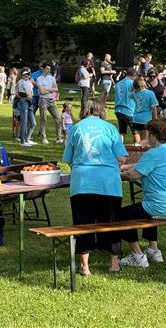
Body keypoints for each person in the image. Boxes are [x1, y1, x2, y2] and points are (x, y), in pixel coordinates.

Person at [118, 118, 166, 268]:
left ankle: (137, 256)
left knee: (121, 215)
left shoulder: (153, 153)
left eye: (148, 134)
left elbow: (133, 176)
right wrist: (126, 166)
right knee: (147, 208)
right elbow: (148, 165)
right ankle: (153, 250)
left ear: (153, 135)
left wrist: (114, 175)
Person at [62, 100, 128, 275]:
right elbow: (122, 158)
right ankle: (114, 263)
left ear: (85, 111)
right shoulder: (110, 128)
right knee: (111, 222)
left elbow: (67, 158)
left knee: (83, 223)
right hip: (109, 183)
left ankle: (85, 266)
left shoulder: (76, 128)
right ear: (101, 111)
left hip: (83, 183)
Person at [36, 62, 63, 144]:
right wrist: (51, 90)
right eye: (47, 69)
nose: (49, 70)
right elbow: (41, 92)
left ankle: (58, 138)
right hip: (43, 100)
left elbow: (56, 89)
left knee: (58, 119)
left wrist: (46, 89)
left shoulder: (52, 78)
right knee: (43, 119)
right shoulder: (39, 79)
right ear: (43, 69)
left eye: (49, 69)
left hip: (52, 100)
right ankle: (44, 138)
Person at [114, 68, 140, 145]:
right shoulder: (132, 83)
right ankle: (138, 149)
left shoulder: (118, 83)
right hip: (129, 110)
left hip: (118, 109)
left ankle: (120, 148)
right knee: (135, 131)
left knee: (122, 131)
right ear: (134, 75)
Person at [130, 75, 158, 146]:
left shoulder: (134, 94)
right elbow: (154, 108)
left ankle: (136, 148)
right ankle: (142, 149)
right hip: (146, 119)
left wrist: (133, 89)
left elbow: (129, 94)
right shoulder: (150, 93)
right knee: (144, 140)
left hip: (135, 119)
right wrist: (155, 119)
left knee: (137, 136)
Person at [16, 68, 36, 146]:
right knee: (24, 121)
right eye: (25, 75)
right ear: (22, 75)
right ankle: (22, 141)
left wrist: (30, 96)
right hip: (23, 102)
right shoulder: (21, 82)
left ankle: (27, 139)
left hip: (29, 102)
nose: (27, 76)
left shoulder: (29, 82)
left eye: (28, 75)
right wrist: (27, 96)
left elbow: (31, 93)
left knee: (33, 123)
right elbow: (19, 93)